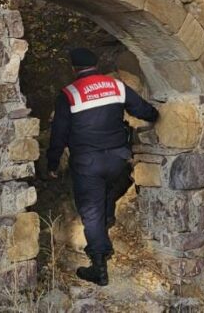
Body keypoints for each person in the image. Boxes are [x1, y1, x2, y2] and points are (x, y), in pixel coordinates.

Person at [44, 47, 159, 286]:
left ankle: (99, 265)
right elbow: (143, 110)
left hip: (88, 163)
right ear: (96, 64)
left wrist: (52, 163)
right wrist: (157, 115)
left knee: (91, 211)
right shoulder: (115, 86)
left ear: (74, 68)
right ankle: (105, 221)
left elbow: (59, 134)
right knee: (109, 190)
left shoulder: (69, 94)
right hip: (118, 159)